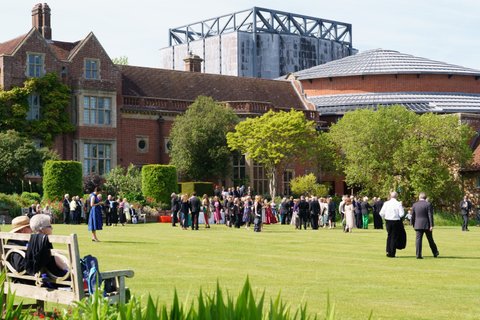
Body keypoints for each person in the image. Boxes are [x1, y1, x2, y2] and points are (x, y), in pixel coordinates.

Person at [26, 214, 69, 278]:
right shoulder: (44, 244)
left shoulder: (31, 243)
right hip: (53, 277)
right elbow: (64, 268)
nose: (52, 228)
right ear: (42, 229)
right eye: (49, 226)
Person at [411, 192, 439, 259]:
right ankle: (435, 252)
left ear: (419, 197)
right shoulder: (428, 204)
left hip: (418, 224)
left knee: (418, 240)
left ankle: (418, 254)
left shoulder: (415, 205)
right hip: (427, 224)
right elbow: (430, 215)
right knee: (430, 239)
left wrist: (412, 223)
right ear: (425, 197)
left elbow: (413, 215)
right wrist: (431, 225)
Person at [379, 192, 405, 258]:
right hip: (395, 221)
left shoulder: (386, 203)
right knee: (394, 237)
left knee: (389, 236)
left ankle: (388, 251)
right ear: (397, 196)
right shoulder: (398, 204)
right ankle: (392, 253)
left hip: (388, 221)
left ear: (390, 196)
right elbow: (401, 214)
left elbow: (381, 213)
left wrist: (384, 218)